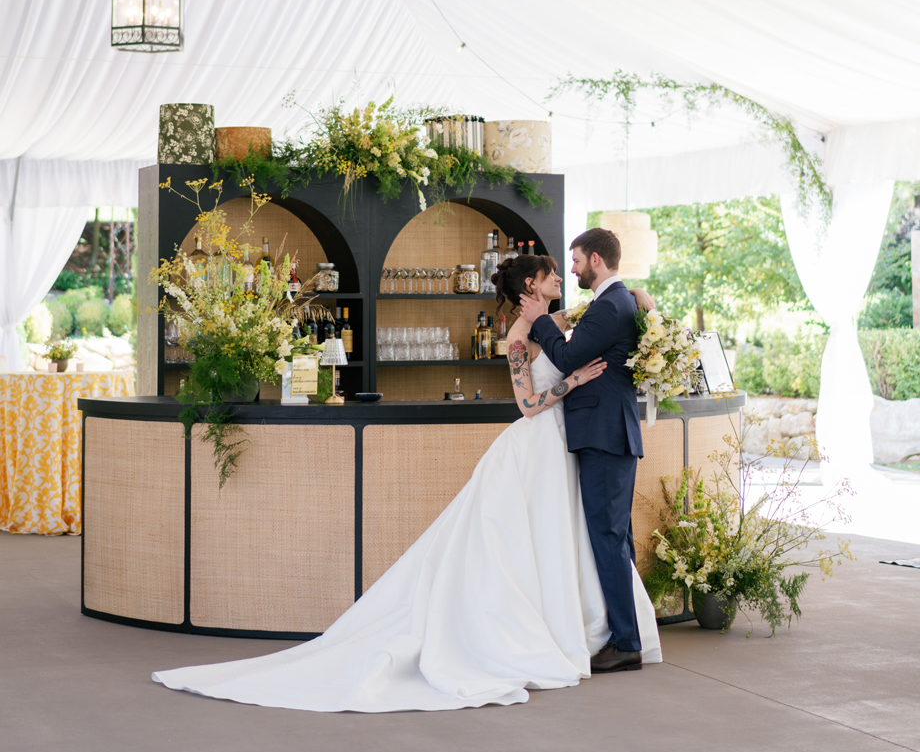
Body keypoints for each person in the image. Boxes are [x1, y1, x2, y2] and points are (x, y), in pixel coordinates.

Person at [152, 253, 660, 712]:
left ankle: (582, 625)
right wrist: (573, 381)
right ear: (532, 284)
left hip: (566, 446)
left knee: (563, 539)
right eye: (552, 274)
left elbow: (601, 313)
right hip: (536, 445)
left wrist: (638, 294)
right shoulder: (517, 338)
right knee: (529, 542)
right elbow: (527, 405)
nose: (562, 278)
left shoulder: (556, 320)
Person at [518, 227, 647, 674]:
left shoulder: (610, 305)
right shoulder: (618, 301)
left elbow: (569, 359)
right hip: (607, 433)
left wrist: (539, 318)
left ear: (595, 259)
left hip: (604, 435)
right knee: (616, 537)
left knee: (608, 538)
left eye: (574, 260)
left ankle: (626, 642)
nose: (570, 269)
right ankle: (630, 631)